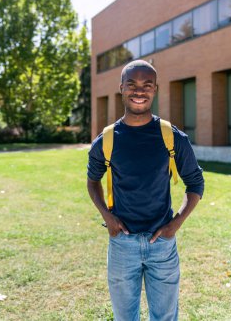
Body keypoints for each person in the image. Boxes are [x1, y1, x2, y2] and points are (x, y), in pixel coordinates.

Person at [87, 59, 204, 321]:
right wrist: (108, 217)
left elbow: (195, 183)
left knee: (164, 317)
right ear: (121, 88)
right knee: (124, 317)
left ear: (155, 90)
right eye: (132, 84)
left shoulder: (172, 137)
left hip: (161, 244)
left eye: (147, 85)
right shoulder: (106, 140)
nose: (139, 91)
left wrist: (175, 224)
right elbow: (92, 180)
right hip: (122, 244)